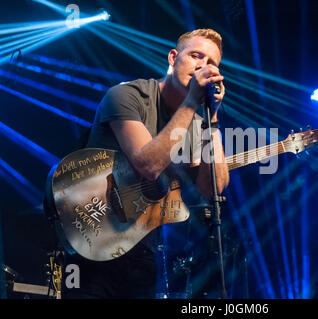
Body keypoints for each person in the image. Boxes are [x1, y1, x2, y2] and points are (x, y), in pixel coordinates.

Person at [62, 28, 230, 298]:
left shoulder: (199, 124)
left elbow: (213, 188)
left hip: (141, 249)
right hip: (90, 238)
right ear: (173, 58)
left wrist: (212, 118)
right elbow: (148, 165)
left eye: (212, 63)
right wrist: (191, 103)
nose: (203, 67)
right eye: (196, 56)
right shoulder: (127, 96)